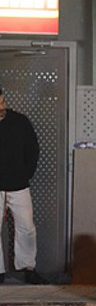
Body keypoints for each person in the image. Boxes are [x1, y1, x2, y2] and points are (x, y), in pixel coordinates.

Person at [0, 87, 45, 285]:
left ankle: (29, 268)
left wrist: (25, 174)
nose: (1, 107)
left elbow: (33, 149)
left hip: (19, 184)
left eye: (2, 102)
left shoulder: (20, 121)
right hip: (13, 183)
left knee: (26, 228)